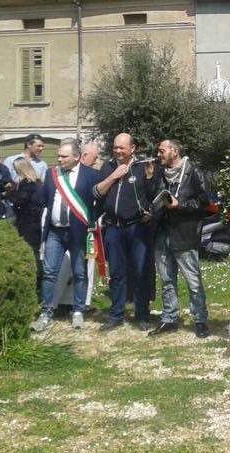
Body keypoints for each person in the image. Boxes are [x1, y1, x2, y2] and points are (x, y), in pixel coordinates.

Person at [31, 140, 101, 332]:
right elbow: (44, 199)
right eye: (59, 156)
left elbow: (100, 202)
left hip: (78, 233)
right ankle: (46, 312)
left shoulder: (91, 175)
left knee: (80, 272)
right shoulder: (51, 173)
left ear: (77, 157)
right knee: (49, 273)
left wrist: (91, 221)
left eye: (64, 156)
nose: (59, 159)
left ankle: (78, 310)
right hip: (55, 231)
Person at [93, 133, 160, 332]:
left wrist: (150, 179)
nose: (117, 151)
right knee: (116, 272)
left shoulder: (142, 167)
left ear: (132, 148)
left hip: (136, 227)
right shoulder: (108, 167)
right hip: (113, 228)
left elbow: (153, 196)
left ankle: (142, 314)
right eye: (115, 147)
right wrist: (114, 176)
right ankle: (116, 315)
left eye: (121, 148)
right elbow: (96, 192)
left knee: (140, 271)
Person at [149, 139, 211, 338]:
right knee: (167, 279)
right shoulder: (159, 173)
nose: (158, 155)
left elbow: (205, 204)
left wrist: (180, 205)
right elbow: (152, 197)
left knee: (193, 280)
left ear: (174, 151)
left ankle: (200, 320)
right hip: (162, 233)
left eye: (162, 151)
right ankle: (169, 319)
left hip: (184, 234)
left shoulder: (193, 172)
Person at [7, 158, 46, 295]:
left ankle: (34, 282)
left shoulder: (26, 184)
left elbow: (20, 201)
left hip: (27, 223)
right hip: (37, 222)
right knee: (37, 251)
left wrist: (10, 193)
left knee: (30, 252)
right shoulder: (39, 182)